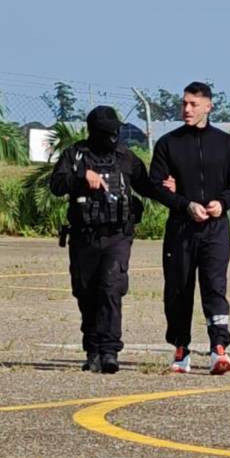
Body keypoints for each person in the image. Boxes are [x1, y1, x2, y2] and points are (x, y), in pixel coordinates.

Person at [50, 106, 158, 374]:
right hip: (84, 236)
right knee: (86, 292)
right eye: (106, 132)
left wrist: (172, 188)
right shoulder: (75, 155)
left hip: (117, 235)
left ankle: (110, 350)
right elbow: (57, 185)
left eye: (114, 131)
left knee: (111, 288)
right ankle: (93, 350)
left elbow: (147, 186)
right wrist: (81, 177)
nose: (112, 136)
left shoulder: (126, 157)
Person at [149, 81, 230, 374]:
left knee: (215, 286)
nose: (187, 109)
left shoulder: (227, 144)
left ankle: (219, 348)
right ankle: (181, 349)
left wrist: (222, 203)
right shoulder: (168, 143)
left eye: (193, 104)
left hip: (215, 229)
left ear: (208, 106)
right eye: (184, 103)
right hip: (181, 229)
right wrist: (185, 205)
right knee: (178, 288)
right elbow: (156, 185)